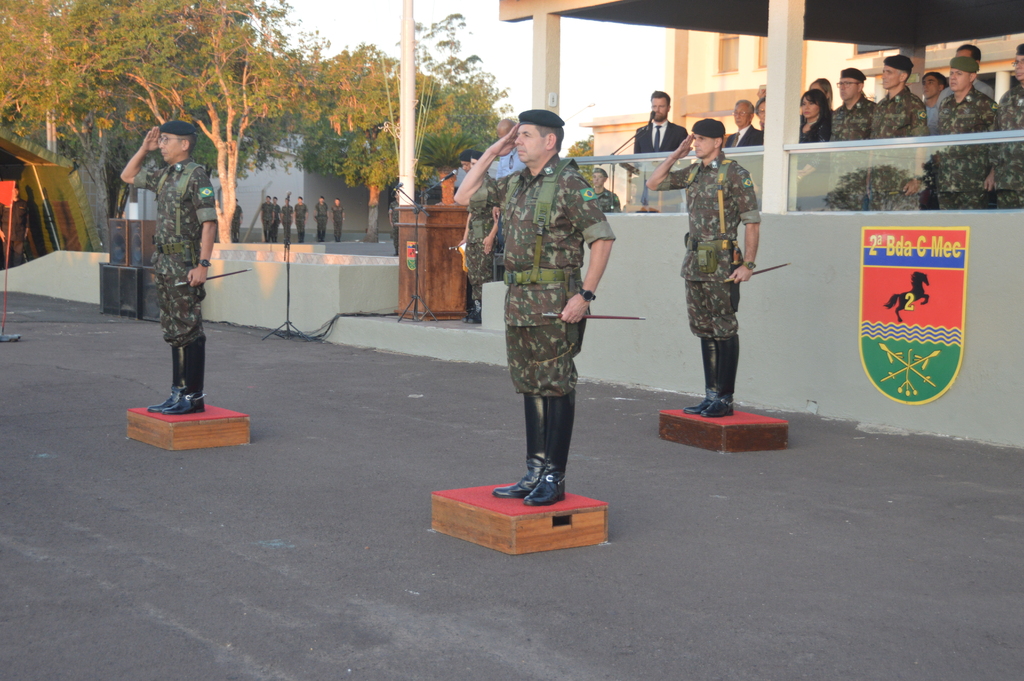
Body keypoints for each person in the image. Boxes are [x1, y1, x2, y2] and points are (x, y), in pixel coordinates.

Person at [454, 109, 615, 506]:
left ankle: (554, 476)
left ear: (550, 141)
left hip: (556, 303)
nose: (517, 141)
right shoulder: (516, 185)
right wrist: (494, 151)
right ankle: (534, 471)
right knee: (530, 387)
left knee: (556, 387)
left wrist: (586, 295)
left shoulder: (571, 183)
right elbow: (463, 195)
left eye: (524, 136)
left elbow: (603, 239)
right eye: (515, 136)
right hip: (520, 301)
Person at [646, 119, 760, 418]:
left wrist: (748, 263)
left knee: (724, 328)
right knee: (704, 330)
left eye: (700, 139)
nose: (695, 143)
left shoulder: (735, 173)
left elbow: (752, 220)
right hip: (695, 260)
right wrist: (676, 154)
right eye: (693, 138)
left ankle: (725, 397)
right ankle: (711, 395)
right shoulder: (694, 171)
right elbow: (653, 183)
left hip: (722, 260)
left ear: (718, 141)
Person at [120, 121, 217, 415]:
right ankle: (178, 392)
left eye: (166, 140)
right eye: (159, 140)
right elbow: (128, 175)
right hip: (163, 262)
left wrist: (202, 265)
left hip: (185, 264)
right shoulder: (164, 175)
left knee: (189, 328)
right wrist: (144, 148)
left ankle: (194, 397)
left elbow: (209, 223)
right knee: (174, 329)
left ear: (184, 144)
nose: (161, 145)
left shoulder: (196, 175)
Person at [936, 56, 996, 210]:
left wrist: (993, 173)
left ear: (972, 77)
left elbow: (998, 141)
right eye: (951, 73)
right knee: (947, 228)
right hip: (946, 180)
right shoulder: (945, 103)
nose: (953, 78)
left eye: (959, 74)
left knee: (972, 229)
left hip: (973, 181)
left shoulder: (984, 104)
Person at [870, 55, 929, 210]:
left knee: (900, 229)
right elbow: (873, 143)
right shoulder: (880, 106)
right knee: (876, 230)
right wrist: (869, 175)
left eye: (889, 72)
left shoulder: (913, 104)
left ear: (903, 76)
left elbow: (921, 144)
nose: (884, 76)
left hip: (902, 183)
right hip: (878, 183)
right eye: (883, 72)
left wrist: (917, 178)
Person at [457, 149, 499, 324]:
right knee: (473, 273)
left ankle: (485, 309)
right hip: (474, 236)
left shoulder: (492, 185)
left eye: (475, 164)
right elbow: (470, 214)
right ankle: (476, 308)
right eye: (471, 164)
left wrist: (491, 236)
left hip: (486, 234)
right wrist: (465, 237)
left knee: (484, 273)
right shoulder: (472, 185)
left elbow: (500, 214)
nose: (472, 167)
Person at [985, 43, 1024, 209]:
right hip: (1007, 180)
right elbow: (998, 136)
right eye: (1017, 62)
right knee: (1007, 230)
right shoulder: (1008, 97)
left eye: (1023, 62)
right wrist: (993, 172)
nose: (1019, 67)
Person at [796, 89, 832, 210]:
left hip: (813, 180)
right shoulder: (797, 125)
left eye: (811, 103)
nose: (806, 107)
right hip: (794, 178)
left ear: (820, 106)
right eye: (804, 103)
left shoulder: (824, 126)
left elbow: (820, 155)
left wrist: (801, 175)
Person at [832, 68, 875, 142]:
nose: (842, 88)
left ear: (859, 87)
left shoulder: (873, 110)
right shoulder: (836, 113)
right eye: (841, 84)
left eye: (847, 83)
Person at [1, 185, 30, 268]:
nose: (14, 192)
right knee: (7, 257)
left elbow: (27, 218)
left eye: (16, 190)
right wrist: (0, 231)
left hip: (19, 234)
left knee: (18, 257)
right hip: (7, 234)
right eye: (12, 190)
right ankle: (8, 275)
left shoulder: (23, 203)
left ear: (18, 191)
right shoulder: (4, 203)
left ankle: (17, 274)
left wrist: (26, 230)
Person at [922, 72, 951, 136]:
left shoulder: (947, 110)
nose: (925, 86)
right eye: (924, 83)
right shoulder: (917, 108)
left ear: (940, 87)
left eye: (930, 82)